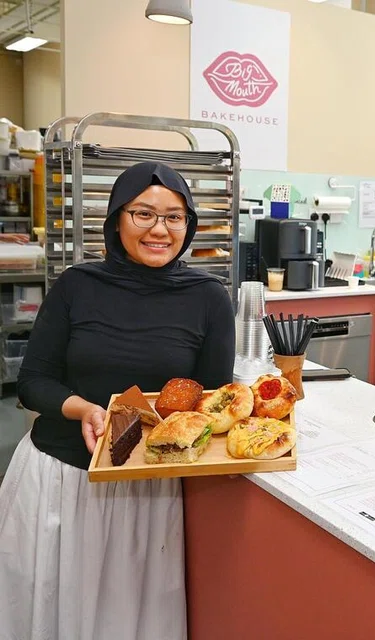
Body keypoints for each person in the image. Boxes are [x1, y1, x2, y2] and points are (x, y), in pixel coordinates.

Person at [0, 162, 235, 640]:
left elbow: (212, 402)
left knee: (124, 619)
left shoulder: (208, 297)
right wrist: (82, 408)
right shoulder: (76, 286)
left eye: (174, 217)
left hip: (146, 489)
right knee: (49, 606)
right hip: (61, 479)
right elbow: (33, 381)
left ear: (188, 226)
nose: (159, 229)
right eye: (143, 213)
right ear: (116, 219)